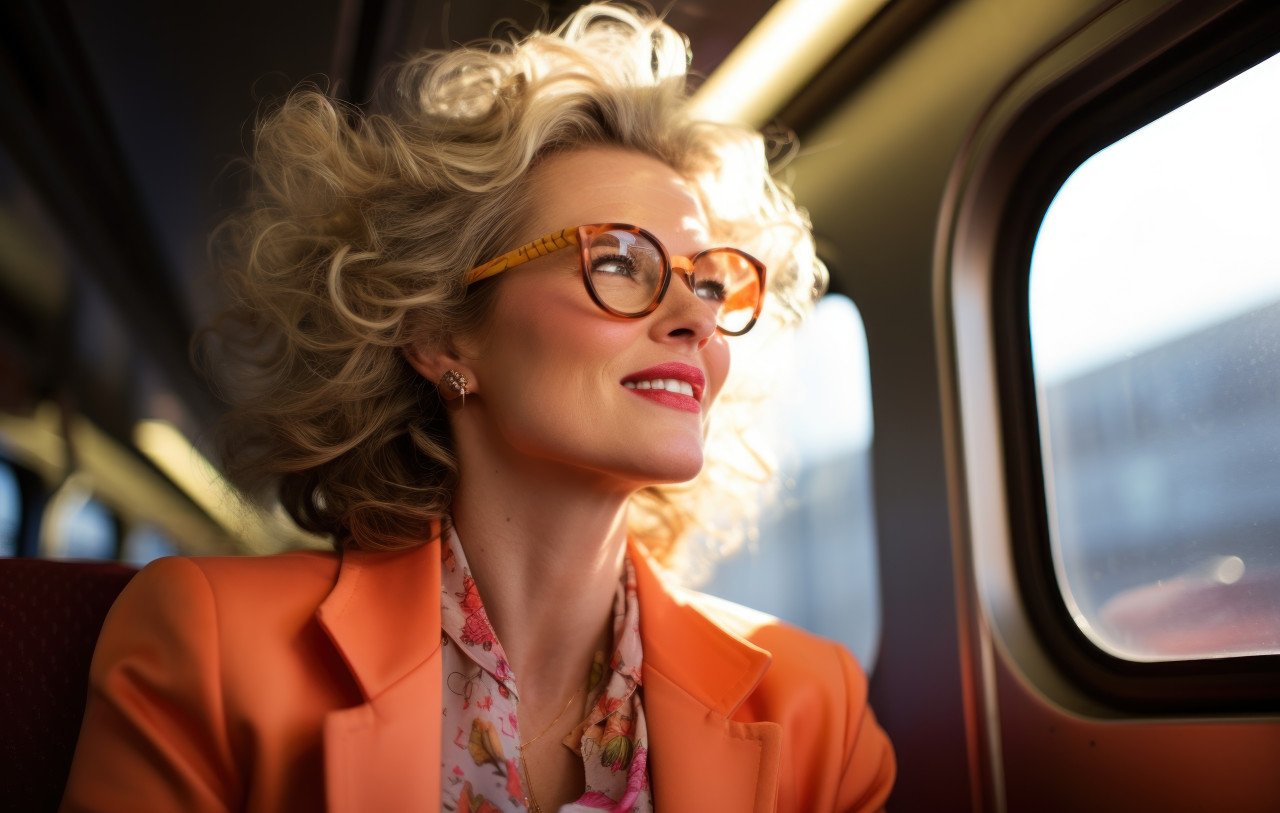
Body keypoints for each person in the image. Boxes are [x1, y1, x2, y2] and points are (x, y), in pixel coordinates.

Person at [60, 4, 895, 811]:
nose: (696, 317)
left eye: (710, 281)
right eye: (618, 262)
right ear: (440, 337)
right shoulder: (210, 644)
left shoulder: (816, 706)